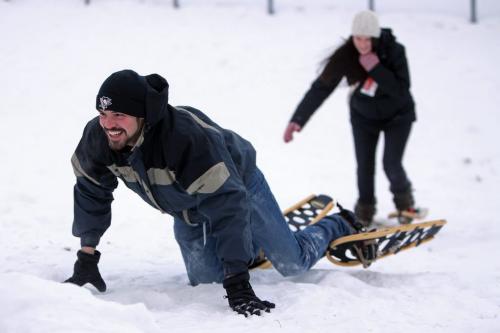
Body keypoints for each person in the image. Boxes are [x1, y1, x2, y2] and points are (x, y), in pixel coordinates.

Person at [65, 69, 376, 317]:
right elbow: (91, 193)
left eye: (118, 115)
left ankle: (339, 223)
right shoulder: (99, 138)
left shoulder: (184, 139)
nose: (108, 124)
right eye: (103, 114)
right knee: (206, 282)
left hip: (238, 188)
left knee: (292, 263)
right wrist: (86, 257)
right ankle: (253, 245)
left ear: (142, 115)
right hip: (187, 210)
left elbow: (227, 205)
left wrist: (239, 282)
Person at [283, 10, 417, 226]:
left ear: (375, 36)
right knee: (364, 165)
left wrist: (375, 68)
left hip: (398, 116)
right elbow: (321, 87)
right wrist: (298, 119)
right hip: (363, 117)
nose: (362, 44)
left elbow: (401, 89)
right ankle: (365, 209)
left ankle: (405, 204)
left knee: (391, 163)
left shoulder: (394, 51)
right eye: (358, 38)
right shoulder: (347, 54)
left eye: (367, 39)